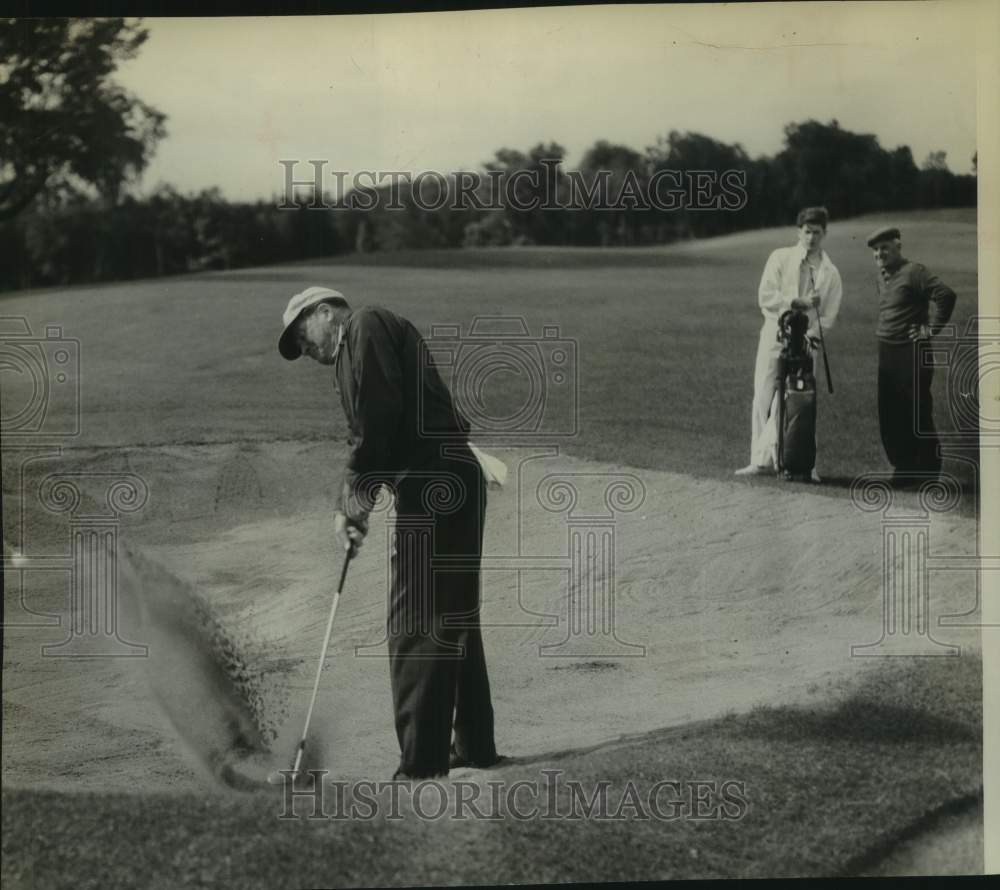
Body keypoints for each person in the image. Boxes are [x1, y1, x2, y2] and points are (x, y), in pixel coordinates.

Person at [277, 286, 502, 779]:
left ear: (325, 312)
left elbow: (378, 419)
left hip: (434, 484)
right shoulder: (354, 348)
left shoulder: (365, 325)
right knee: (452, 611)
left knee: (415, 623)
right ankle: (475, 745)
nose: (304, 348)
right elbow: (384, 429)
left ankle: (421, 764)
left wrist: (354, 501)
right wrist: (359, 499)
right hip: (448, 478)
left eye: (303, 333)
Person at [735, 206, 843, 481]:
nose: (811, 238)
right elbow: (765, 296)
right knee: (763, 395)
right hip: (775, 333)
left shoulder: (830, 273)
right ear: (799, 232)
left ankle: (804, 464)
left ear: (824, 234)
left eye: (817, 233)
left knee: (801, 401)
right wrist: (796, 303)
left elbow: (829, 315)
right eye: (807, 232)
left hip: (807, 343)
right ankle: (759, 462)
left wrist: (810, 337)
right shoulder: (780, 258)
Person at [866, 226, 957, 487]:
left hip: (912, 352)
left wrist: (930, 329)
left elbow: (946, 295)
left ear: (898, 246)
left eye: (884, 247)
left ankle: (928, 473)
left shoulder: (915, 272)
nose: (879, 254)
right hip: (887, 351)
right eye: (875, 250)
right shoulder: (882, 276)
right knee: (890, 412)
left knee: (916, 411)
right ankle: (904, 468)